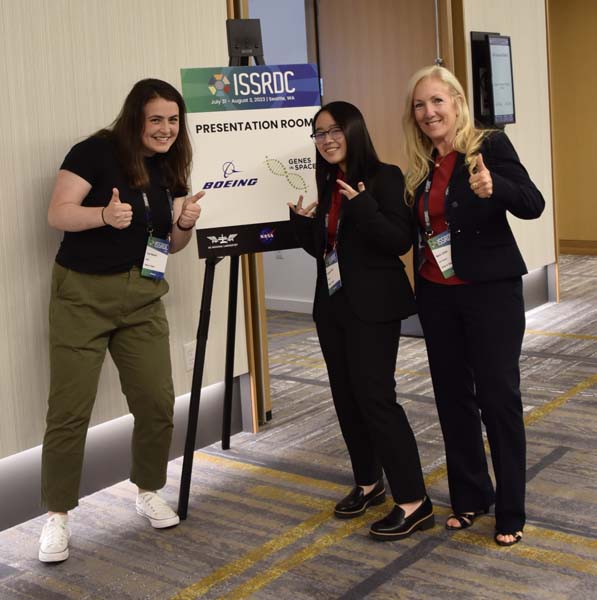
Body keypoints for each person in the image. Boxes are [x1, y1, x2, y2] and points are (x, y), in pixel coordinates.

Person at [39, 79, 203, 563]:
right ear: (136, 118)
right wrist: (102, 218)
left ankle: (148, 488)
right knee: (70, 410)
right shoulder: (95, 151)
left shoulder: (172, 164)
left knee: (156, 400)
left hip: (143, 295)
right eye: (156, 120)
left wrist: (184, 225)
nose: (166, 129)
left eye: (173, 121)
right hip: (82, 294)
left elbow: (171, 245)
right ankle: (57, 515)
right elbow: (57, 213)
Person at [402, 65, 545, 547]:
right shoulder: (420, 165)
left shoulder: (489, 147)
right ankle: (470, 495)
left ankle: (510, 507)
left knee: (497, 398)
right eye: (420, 105)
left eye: (437, 101)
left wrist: (494, 188)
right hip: (437, 294)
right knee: (452, 397)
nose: (429, 112)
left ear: (457, 103)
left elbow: (532, 202)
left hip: (489, 293)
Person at [289, 101, 433, 541]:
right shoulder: (327, 181)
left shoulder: (384, 177)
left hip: (374, 307)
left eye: (335, 130)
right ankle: (369, 483)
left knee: (375, 398)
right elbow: (328, 250)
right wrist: (302, 227)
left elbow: (399, 242)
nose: (327, 139)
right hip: (332, 306)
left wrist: (366, 205)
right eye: (319, 133)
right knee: (346, 397)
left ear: (354, 130)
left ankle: (414, 501)